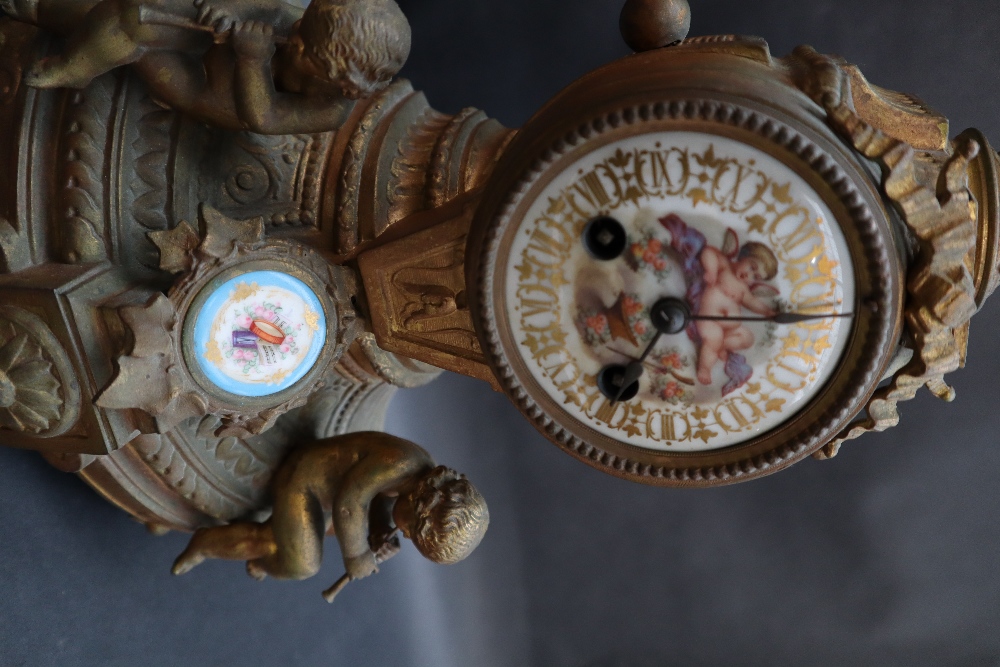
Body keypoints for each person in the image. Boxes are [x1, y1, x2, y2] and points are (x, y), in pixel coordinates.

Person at [1, 0, 411, 133]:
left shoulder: (331, 111)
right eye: (301, 28)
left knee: (137, 33)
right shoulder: (299, 19)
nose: (296, 34)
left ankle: (76, 66)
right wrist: (227, 11)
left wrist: (253, 60)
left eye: (302, 47)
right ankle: (53, 23)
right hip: (222, 45)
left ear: (334, 77)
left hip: (210, 91)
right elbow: (262, 6)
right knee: (128, 13)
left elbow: (262, 117)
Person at [171, 432, 489, 587]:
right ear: (422, 508)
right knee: (300, 565)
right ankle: (206, 544)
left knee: (291, 546)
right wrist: (357, 557)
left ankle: (265, 554)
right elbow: (350, 506)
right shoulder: (399, 463)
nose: (401, 533)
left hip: (326, 495)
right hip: (305, 483)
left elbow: (378, 498)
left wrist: (378, 529)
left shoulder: (416, 474)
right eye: (409, 532)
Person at [694, 241, 777, 385]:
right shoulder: (725, 268)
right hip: (709, 320)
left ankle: (721, 346)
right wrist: (711, 271)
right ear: (743, 256)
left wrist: (767, 311)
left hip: (729, 328)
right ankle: (705, 368)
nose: (749, 275)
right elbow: (709, 252)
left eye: (755, 277)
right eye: (752, 267)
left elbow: (752, 303)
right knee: (714, 337)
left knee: (747, 338)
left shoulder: (744, 289)